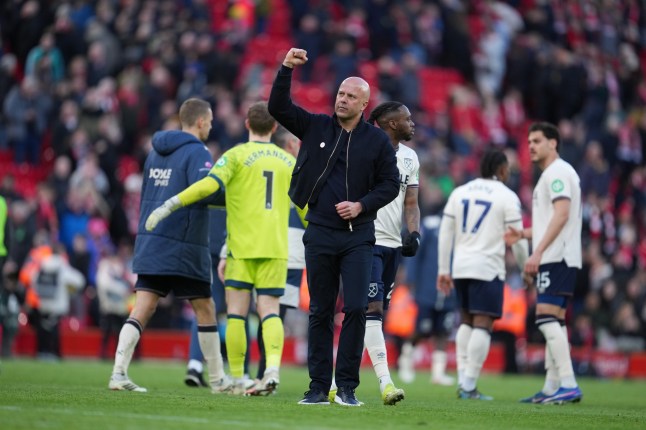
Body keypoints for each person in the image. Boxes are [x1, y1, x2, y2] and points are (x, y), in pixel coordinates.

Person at [268, 48, 399, 406]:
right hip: (320, 232)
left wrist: (361, 205)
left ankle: (347, 388)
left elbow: (390, 184)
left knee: (356, 307)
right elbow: (278, 109)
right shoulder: (316, 126)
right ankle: (317, 387)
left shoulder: (377, 141)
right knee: (321, 310)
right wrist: (285, 70)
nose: (342, 99)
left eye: (350, 96)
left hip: (359, 237)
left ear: (364, 104)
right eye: (340, 94)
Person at [146, 101, 295, 396]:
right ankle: (272, 371)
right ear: (275, 128)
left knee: (237, 315)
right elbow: (306, 209)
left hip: (241, 248)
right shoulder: (288, 162)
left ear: (247, 125)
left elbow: (207, 187)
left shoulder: (235, 156)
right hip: (276, 248)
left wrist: (171, 203)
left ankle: (238, 377)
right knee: (270, 312)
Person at [108, 98, 230, 393]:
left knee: (143, 307)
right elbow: (203, 191)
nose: (212, 126)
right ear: (200, 121)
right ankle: (217, 380)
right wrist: (233, 194)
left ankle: (118, 374)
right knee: (206, 307)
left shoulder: (154, 152)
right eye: (210, 121)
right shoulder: (198, 152)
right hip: (185, 245)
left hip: (152, 241)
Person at [328, 101, 419, 405]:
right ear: (392, 124)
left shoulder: (410, 158)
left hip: (393, 244)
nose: (412, 123)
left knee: (367, 314)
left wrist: (413, 232)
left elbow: (410, 202)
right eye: (407, 119)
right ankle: (386, 383)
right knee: (372, 311)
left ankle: (331, 380)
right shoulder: (361, 150)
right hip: (365, 240)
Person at [437, 149, 528, 400]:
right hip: (487, 267)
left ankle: (464, 379)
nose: (509, 172)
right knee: (483, 323)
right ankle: (468, 385)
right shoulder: (507, 196)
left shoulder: (460, 192)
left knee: (466, 321)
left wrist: (444, 269)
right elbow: (517, 238)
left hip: (461, 266)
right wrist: (525, 268)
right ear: (500, 170)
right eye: (507, 168)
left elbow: (446, 232)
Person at [504, 121, 584, 404]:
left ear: (553, 143)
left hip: (556, 256)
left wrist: (536, 252)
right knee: (556, 321)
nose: (531, 146)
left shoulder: (557, 173)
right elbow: (553, 219)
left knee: (545, 318)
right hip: (563, 254)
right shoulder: (555, 174)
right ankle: (553, 387)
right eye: (529, 142)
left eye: (537, 141)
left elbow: (561, 215)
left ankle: (569, 383)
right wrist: (524, 233)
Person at [398, 214, 457, 386]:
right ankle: (405, 360)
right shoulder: (432, 225)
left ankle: (438, 373)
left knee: (443, 331)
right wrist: (411, 279)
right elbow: (417, 254)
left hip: (449, 291)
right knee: (422, 329)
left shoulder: (459, 229)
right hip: (428, 288)